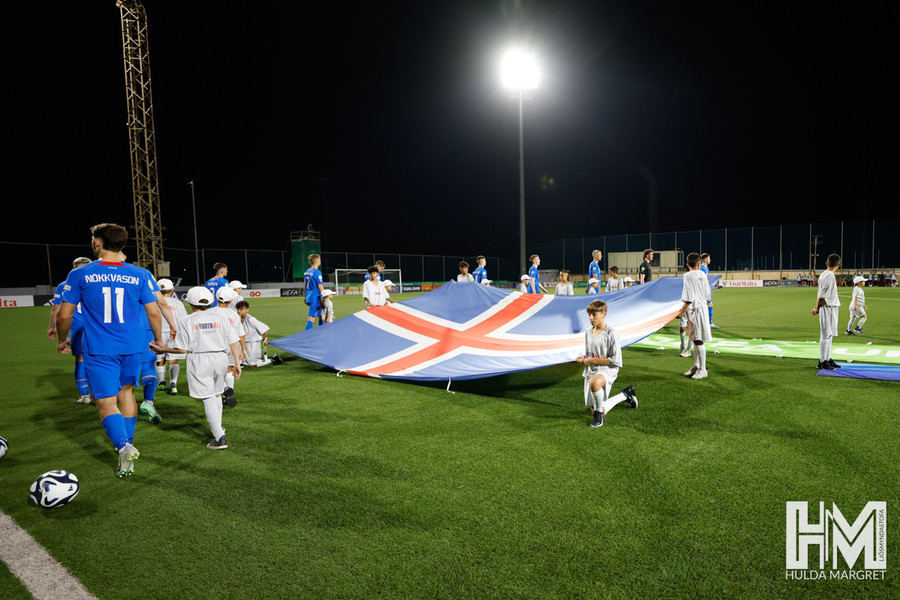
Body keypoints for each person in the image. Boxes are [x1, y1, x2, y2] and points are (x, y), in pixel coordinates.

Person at [56, 223, 163, 477]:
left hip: (100, 349)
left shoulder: (80, 274)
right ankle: (127, 443)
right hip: (133, 346)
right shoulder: (139, 274)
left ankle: (124, 446)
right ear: (122, 245)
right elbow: (153, 312)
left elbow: (64, 315)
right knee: (127, 393)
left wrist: (61, 339)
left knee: (105, 401)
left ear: (97, 243)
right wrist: (159, 339)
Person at [161, 287, 242, 449]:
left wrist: (161, 349)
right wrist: (237, 363)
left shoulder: (186, 321)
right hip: (221, 358)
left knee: (208, 397)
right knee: (217, 394)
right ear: (210, 302)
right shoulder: (222, 318)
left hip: (199, 359)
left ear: (191, 304)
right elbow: (234, 341)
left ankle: (219, 438)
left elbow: (182, 350)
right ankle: (219, 428)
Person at [575, 299, 637, 428]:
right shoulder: (588, 331)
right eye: (589, 315)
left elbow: (615, 360)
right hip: (592, 369)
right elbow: (592, 353)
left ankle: (598, 415)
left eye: (594, 315)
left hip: (608, 369)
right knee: (594, 407)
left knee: (594, 384)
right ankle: (626, 394)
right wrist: (585, 358)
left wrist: (591, 360)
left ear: (604, 314)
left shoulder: (611, 333)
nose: (590, 318)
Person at [47, 256, 93, 404]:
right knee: (101, 359)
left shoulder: (64, 285)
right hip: (98, 326)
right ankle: (103, 393)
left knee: (80, 359)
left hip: (78, 327)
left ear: (73, 269)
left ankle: (85, 395)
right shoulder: (97, 281)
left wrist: (52, 327)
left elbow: (56, 311)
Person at [675, 252, 712, 380]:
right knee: (696, 338)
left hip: (695, 310)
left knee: (698, 340)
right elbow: (708, 294)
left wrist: (681, 312)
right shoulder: (703, 274)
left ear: (687, 265)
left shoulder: (687, 276)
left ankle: (703, 370)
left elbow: (689, 297)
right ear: (699, 264)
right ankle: (697, 366)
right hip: (702, 308)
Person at [214, 286, 247, 407]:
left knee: (213, 371)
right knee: (230, 369)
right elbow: (240, 333)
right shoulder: (234, 314)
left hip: (217, 344)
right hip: (233, 345)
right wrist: (244, 349)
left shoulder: (211, 312)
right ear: (231, 300)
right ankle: (229, 392)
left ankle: (225, 389)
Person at [154, 278, 188, 397]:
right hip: (174, 333)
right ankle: (173, 383)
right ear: (172, 290)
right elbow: (184, 320)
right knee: (173, 359)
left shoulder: (154, 302)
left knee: (160, 359)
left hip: (158, 333)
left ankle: (161, 381)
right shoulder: (178, 303)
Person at [811, 253, 842, 371]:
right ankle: (822, 361)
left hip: (831, 306)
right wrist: (817, 308)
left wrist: (817, 307)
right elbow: (822, 295)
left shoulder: (824, 274)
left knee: (829, 334)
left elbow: (820, 293)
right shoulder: (829, 275)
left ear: (827, 263)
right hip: (828, 307)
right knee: (825, 335)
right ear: (839, 265)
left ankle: (827, 359)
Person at [235, 300, 280, 367]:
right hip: (243, 343)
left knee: (252, 365)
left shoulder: (251, 319)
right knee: (240, 360)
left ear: (247, 309)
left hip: (253, 344)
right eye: (238, 309)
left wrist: (265, 340)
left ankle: (273, 359)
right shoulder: (237, 318)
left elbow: (265, 329)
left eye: (241, 309)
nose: (239, 311)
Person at [304, 254, 325, 330]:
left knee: (321, 315)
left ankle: (321, 331)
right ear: (317, 261)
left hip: (309, 296)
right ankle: (306, 335)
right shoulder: (317, 272)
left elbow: (305, 285)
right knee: (311, 317)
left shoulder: (307, 272)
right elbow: (320, 286)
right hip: (315, 297)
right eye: (319, 259)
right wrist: (325, 296)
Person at [699, 253, 719, 329]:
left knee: (709, 304)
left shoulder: (706, 268)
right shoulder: (701, 268)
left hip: (706, 290)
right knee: (705, 305)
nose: (710, 260)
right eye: (709, 258)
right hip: (702, 291)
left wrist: (715, 283)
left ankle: (708, 323)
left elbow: (707, 279)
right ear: (705, 259)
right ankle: (708, 323)